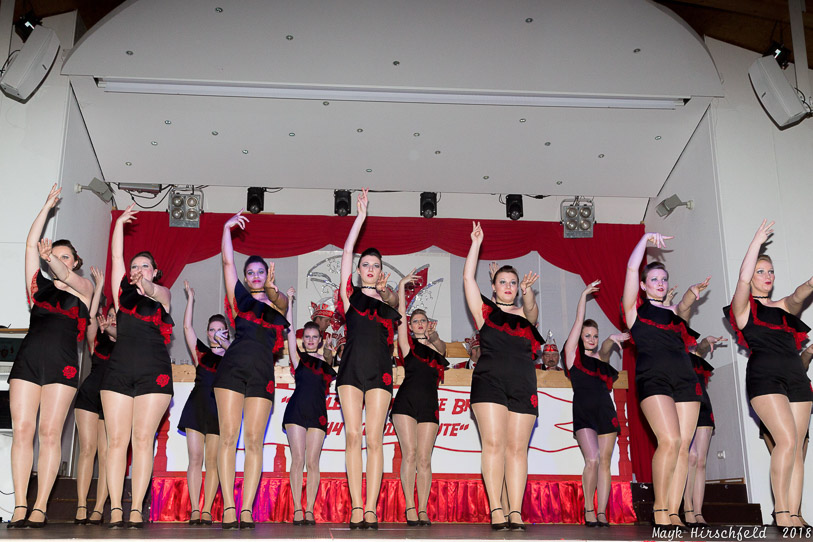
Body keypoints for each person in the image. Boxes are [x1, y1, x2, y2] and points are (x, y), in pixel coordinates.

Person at [8, 185, 93, 528]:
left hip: (63, 365)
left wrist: (53, 260)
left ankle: (40, 506)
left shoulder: (84, 290)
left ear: (75, 262)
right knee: (22, 430)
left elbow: (66, 275)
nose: (58, 259)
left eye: (66, 256)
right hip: (28, 361)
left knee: (49, 432)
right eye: (54, 255)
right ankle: (19, 504)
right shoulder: (38, 288)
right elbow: (30, 246)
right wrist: (46, 208)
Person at [724, 220, 813, 529]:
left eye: (770, 271)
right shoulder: (743, 308)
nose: (767, 276)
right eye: (761, 271)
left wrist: (811, 282)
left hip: (797, 378)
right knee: (785, 440)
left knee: (797, 447)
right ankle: (781, 512)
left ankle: (796, 514)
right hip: (765, 379)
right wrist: (756, 243)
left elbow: (800, 294)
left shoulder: (784, 307)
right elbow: (742, 277)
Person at [621, 232, 706, 528]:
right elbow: (631, 268)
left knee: (683, 446)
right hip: (652, 379)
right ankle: (659, 509)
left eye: (664, 279)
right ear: (643, 285)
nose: (660, 283)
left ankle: (673, 511)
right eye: (654, 279)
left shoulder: (674, 314)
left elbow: (683, 307)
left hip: (685, 378)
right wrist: (644, 239)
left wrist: (691, 294)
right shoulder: (634, 312)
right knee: (669, 440)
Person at [463, 222, 543, 531]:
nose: (508, 286)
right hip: (489, 382)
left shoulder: (524, 316)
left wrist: (528, 293)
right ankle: (496, 507)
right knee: (494, 444)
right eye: (502, 282)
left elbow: (532, 311)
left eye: (513, 282)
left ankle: (515, 511)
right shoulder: (484, 311)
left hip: (523, 384)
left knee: (517, 450)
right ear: (494, 287)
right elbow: (468, 278)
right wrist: (475, 244)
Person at [214, 211, 289, 529]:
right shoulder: (240, 299)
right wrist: (226, 229)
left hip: (262, 374)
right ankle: (229, 507)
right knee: (228, 437)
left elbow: (282, 302)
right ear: (246, 278)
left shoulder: (277, 303)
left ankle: (247, 509)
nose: (257, 276)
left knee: (255, 441)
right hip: (231, 370)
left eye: (261, 272)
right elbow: (227, 263)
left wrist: (272, 289)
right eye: (251, 273)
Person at [101, 203, 174, 529]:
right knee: (117, 442)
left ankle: (136, 509)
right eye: (135, 266)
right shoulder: (121, 295)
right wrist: (119, 224)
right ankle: (116, 507)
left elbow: (155, 291)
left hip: (153, 372)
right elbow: (116, 257)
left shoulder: (163, 294)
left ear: (155, 271)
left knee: (143, 440)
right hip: (118, 370)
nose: (139, 269)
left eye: (145, 266)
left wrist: (146, 285)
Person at [336, 189, 401, 530]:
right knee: (352, 437)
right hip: (350, 371)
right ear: (359, 271)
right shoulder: (350, 297)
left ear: (381, 271)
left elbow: (396, 307)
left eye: (376, 265)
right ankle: (357, 506)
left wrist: (390, 293)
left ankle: (372, 507)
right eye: (366, 265)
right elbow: (346, 251)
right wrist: (360, 217)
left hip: (380, 372)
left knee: (375, 439)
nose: (371, 269)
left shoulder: (389, 303)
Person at [563, 280, 628, 528]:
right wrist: (583, 296)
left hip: (605, 412)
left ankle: (602, 512)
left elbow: (607, 348)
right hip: (583, 413)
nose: (591, 339)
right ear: (580, 337)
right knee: (592, 460)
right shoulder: (573, 356)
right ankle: (588, 508)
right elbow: (578, 321)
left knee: (605, 462)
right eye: (587, 335)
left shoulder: (600, 359)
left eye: (595, 336)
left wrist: (611, 338)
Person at [391, 270, 449, 527]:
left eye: (423, 320)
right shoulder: (408, 346)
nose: (419, 323)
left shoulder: (436, 348)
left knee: (425, 459)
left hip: (429, 405)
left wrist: (433, 336)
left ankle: (423, 508)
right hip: (405, 403)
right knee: (411, 454)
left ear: (429, 323)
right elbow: (400, 318)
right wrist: (402, 286)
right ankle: (410, 507)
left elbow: (442, 348)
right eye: (415, 321)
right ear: (411, 326)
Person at [283, 288, 336, 526]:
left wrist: (331, 355)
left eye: (315, 337)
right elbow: (288, 330)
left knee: (313, 462)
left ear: (320, 339)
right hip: (296, 412)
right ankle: (297, 508)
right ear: (303, 340)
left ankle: (309, 510)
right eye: (307, 337)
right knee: (297, 460)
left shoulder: (327, 362)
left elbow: (333, 360)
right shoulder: (298, 358)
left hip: (318, 414)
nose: (311, 340)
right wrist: (290, 302)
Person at [178, 281, 229, 526]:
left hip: (219, 410)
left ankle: (207, 509)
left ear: (227, 332)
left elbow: (241, 365)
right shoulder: (201, 353)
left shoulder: (233, 355)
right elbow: (187, 327)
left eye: (220, 330)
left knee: (212, 461)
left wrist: (227, 345)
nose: (216, 333)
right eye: (212, 330)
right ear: (207, 333)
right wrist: (190, 298)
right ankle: (196, 509)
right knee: (195, 458)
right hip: (197, 407)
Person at [74, 267, 113, 525]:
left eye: (117, 317)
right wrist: (98, 287)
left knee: (107, 453)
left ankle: (99, 507)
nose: (112, 319)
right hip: (89, 395)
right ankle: (80, 506)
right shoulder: (96, 339)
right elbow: (89, 320)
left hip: (112, 401)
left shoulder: (129, 343)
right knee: (87, 449)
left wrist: (115, 331)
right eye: (109, 315)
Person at [683, 335, 726, 527]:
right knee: (690, 458)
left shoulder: (696, 355)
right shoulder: (673, 353)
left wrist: (706, 342)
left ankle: (698, 512)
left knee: (700, 461)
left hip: (703, 407)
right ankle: (687, 508)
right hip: (684, 407)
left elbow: (700, 348)